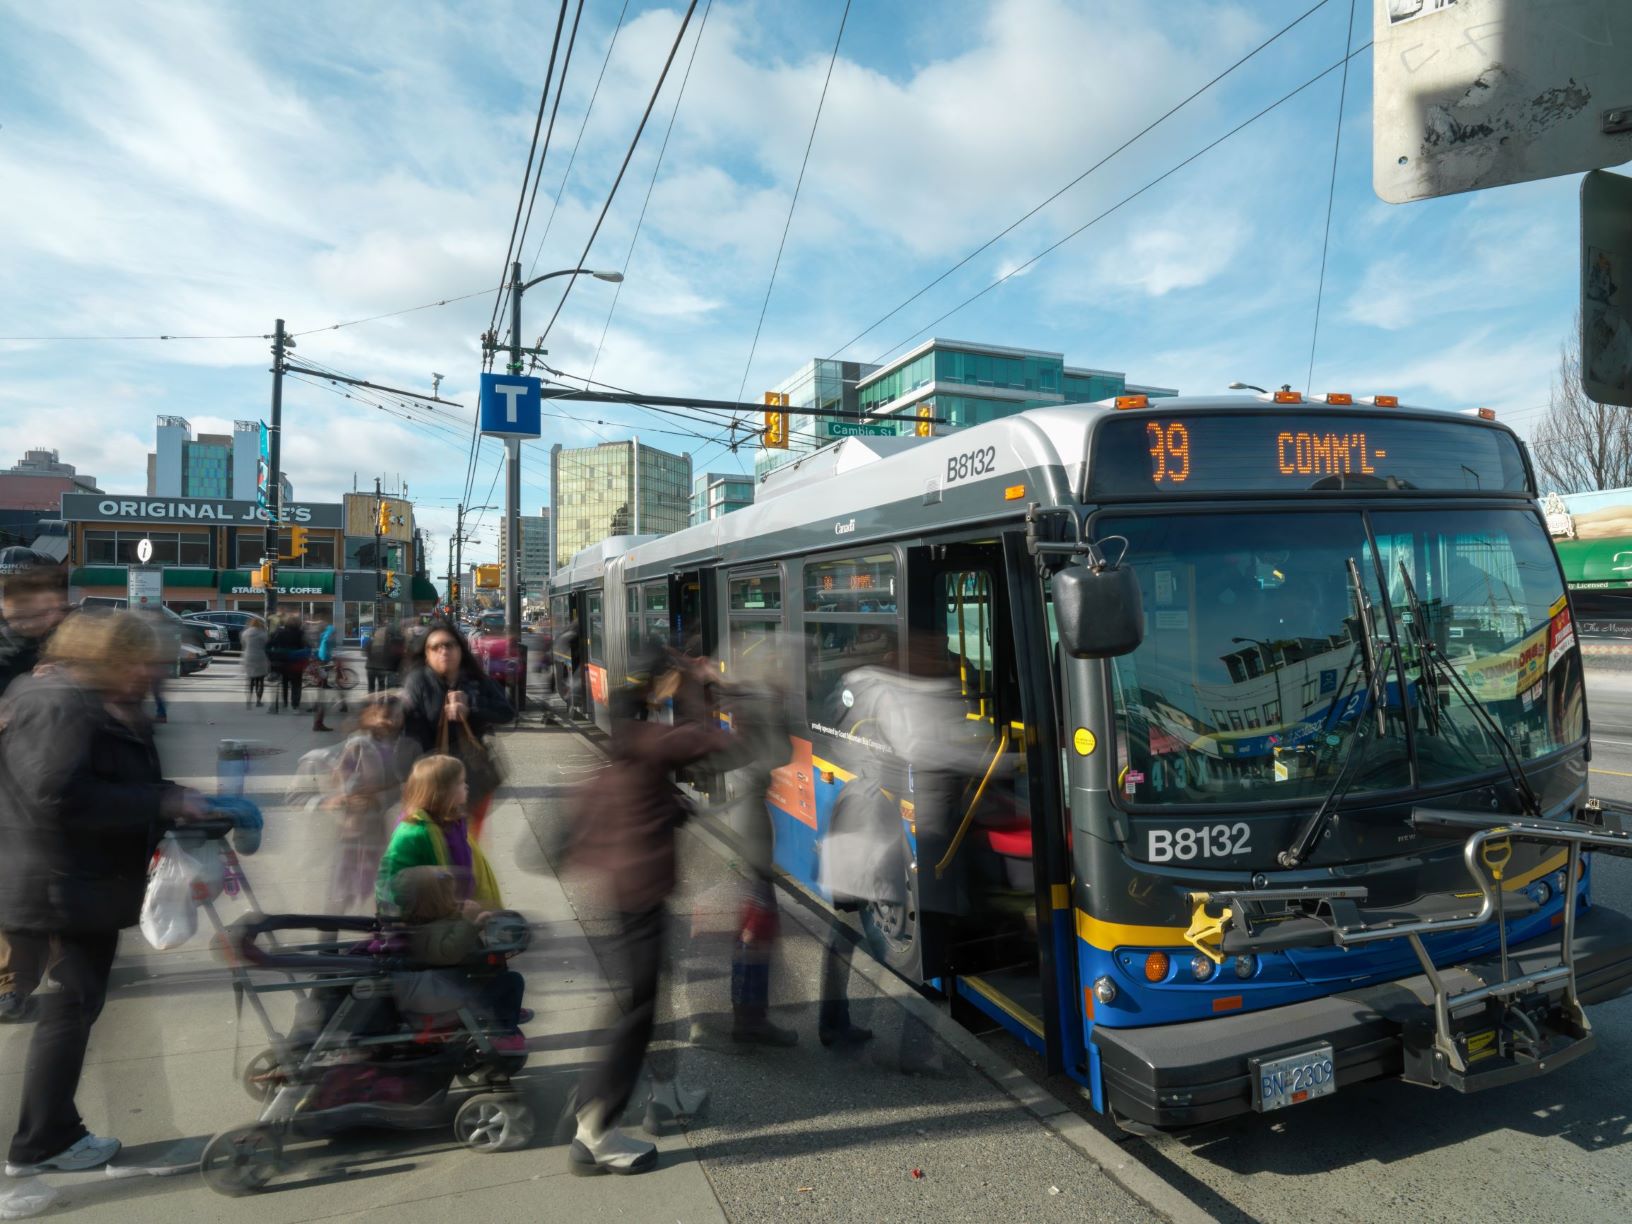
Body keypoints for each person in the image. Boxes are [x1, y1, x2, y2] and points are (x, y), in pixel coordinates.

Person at [0, 611, 207, 1182]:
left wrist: (168, 795)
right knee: (69, 1010)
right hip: (59, 880)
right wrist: (161, 803)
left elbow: (97, 780)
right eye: (141, 662)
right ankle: (41, 1142)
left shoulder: (78, 699)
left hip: (69, 878)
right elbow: (56, 794)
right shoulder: (63, 704)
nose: (150, 674)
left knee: (73, 1008)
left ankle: (51, 1132)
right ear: (108, 657)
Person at [562, 651, 732, 1176]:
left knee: (639, 1004)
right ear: (659, 689)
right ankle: (594, 1129)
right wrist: (696, 689)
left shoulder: (626, 739)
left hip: (626, 888)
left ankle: (616, 1103)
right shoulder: (648, 741)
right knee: (636, 1011)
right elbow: (718, 743)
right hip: (639, 891)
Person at [0, 564, 70, 1025]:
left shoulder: (79, 638)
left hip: (66, 778)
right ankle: (13, 982)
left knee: (64, 880)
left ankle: (68, 966)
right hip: (10, 785)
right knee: (17, 884)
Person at [399, 620, 514, 842]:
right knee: (431, 846)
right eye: (435, 647)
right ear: (426, 655)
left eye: (450, 645)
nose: (444, 651)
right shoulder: (418, 682)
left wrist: (471, 705)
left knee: (466, 845)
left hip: (470, 782)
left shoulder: (476, 680)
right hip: (431, 783)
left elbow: (507, 713)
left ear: (461, 649)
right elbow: (410, 735)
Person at [376, 754, 502, 914]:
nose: (466, 786)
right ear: (442, 792)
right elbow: (391, 878)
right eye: (460, 782)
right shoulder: (412, 832)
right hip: (429, 918)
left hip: (456, 910)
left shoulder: (455, 822)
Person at [326, 697, 418, 914]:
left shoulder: (407, 746)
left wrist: (381, 798)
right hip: (356, 823)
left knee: (383, 874)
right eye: (385, 716)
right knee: (345, 876)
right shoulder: (358, 744)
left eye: (397, 716)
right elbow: (340, 772)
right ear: (371, 717)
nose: (391, 722)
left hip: (389, 823)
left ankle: (380, 920)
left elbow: (408, 784)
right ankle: (333, 920)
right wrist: (346, 794)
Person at [309, 611, 347, 733]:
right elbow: (326, 644)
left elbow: (323, 642)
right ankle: (318, 722)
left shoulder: (324, 631)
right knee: (324, 693)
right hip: (324, 660)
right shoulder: (329, 631)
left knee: (323, 690)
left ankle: (319, 717)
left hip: (321, 659)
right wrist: (330, 657)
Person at [265, 613, 309, 715]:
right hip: (296, 663)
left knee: (283, 682)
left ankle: (282, 703)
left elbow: (268, 645)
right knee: (296, 684)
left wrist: (271, 657)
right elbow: (306, 647)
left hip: (281, 662)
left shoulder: (279, 632)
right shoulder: (301, 633)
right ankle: (295, 706)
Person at [366, 619, 404, 693]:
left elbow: (367, 653)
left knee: (371, 688)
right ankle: (380, 701)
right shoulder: (388, 642)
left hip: (371, 667)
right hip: (382, 668)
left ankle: (372, 701)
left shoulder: (371, 642)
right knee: (382, 688)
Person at [240, 617, 270, 709]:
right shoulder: (263, 634)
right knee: (260, 680)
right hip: (260, 657)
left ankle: (248, 700)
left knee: (250, 680)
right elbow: (267, 645)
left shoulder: (245, 633)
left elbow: (243, 644)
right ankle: (258, 701)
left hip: (248, 657)